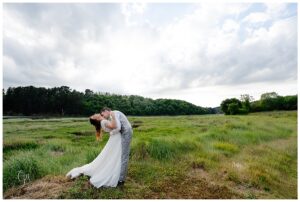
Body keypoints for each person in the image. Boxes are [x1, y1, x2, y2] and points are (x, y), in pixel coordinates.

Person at [65, 114, 122, 188]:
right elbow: (114, 126)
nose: (95, 114)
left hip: (115, 138)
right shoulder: (103, 121)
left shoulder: (103, 121)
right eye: (94, 116)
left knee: (111, 156)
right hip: (116, 138)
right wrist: (114, 116)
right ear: (97, 119)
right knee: (113, 155)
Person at [100, 107, 133, 186]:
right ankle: (119, 175)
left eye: (103, 114)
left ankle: (121, 180)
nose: (103, 116)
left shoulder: (113, 114)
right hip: (125, 133)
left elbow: (118, 128)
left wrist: (111, 133)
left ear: (106, 111)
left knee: (124, 156)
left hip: (126, 133)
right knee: (122, 155)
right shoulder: (113, 114)